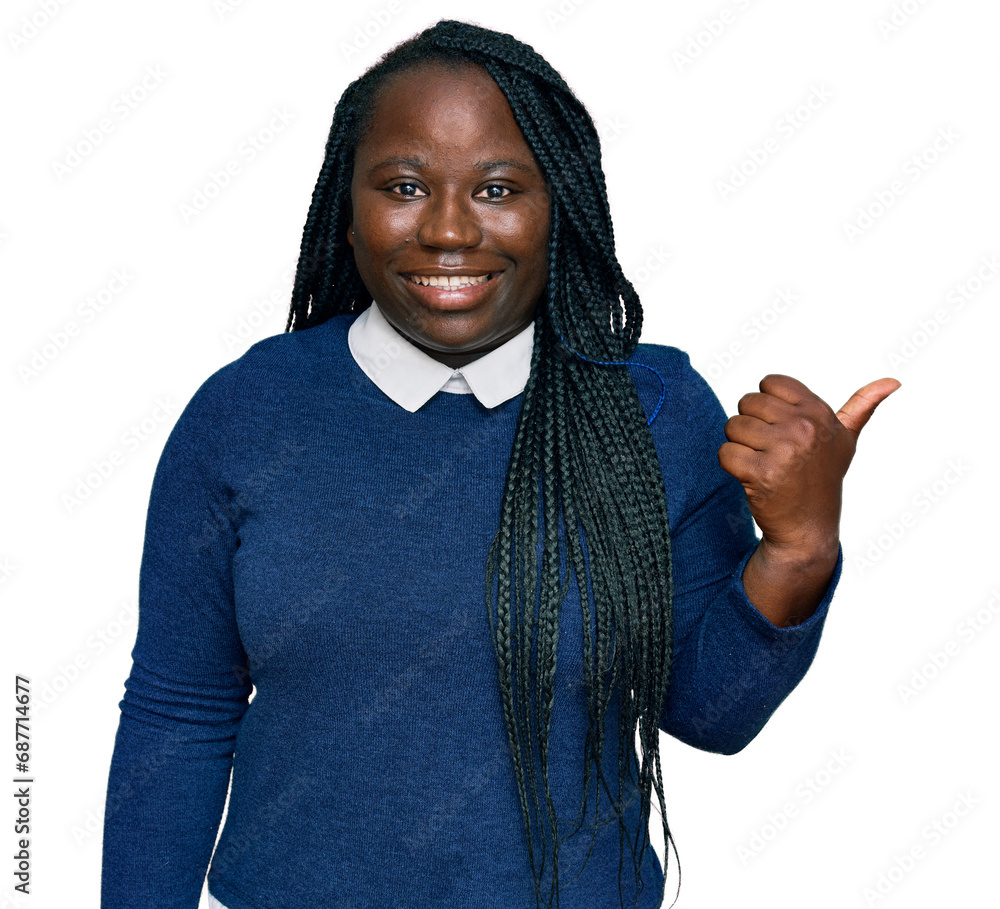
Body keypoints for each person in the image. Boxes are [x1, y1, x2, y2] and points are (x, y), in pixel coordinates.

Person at [99, 19, 899, 909]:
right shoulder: (246, 412)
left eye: (497, 188)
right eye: (404, 185)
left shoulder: (652, 408)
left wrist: (799, 547)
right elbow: (182, 710)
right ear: (347, 208)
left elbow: (711, 713)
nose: (448, 229)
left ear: (560, 207)